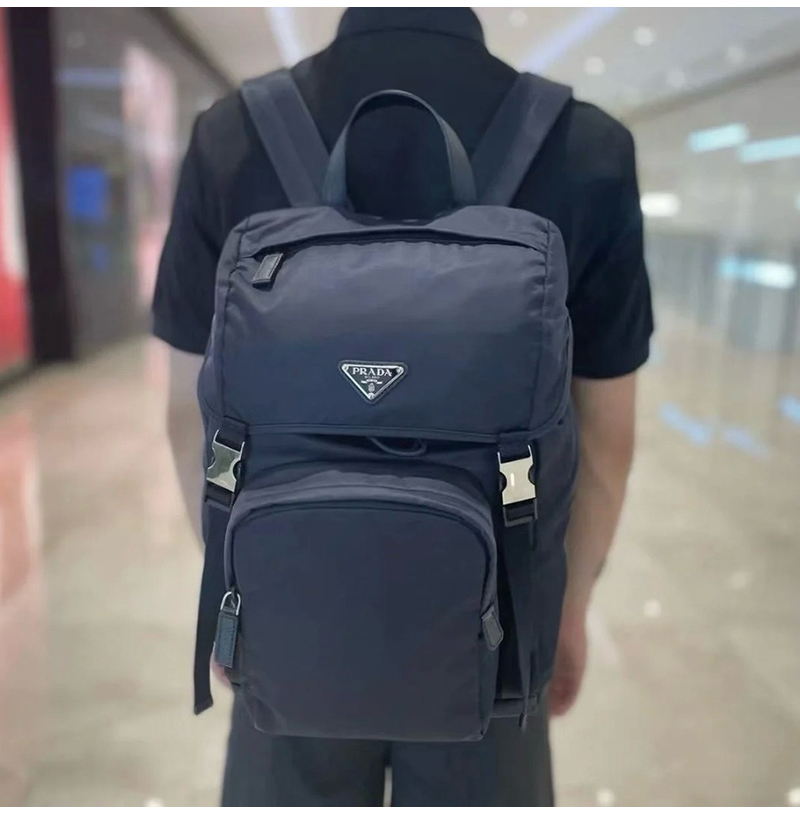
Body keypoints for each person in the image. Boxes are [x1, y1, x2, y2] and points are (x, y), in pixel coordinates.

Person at [153, 8, 653, 806]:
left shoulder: (231, 135)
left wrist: (234, 592)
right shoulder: (585, 147)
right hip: (495, 621)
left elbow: (191, 415)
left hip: (293, 603)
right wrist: (566, 608)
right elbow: (605, 434)